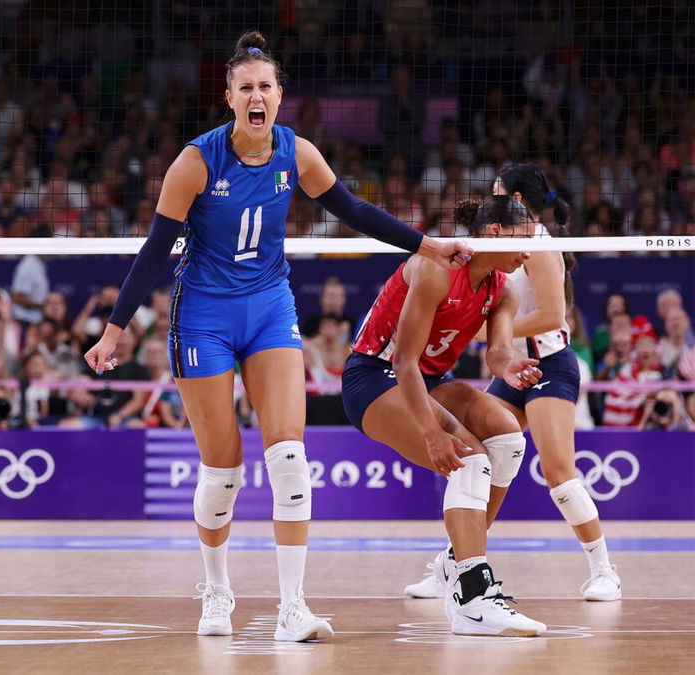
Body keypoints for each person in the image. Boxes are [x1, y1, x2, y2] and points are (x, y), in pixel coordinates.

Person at [84, 31, 472, 642]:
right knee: (224, 471)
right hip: (203, 316)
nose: (256, 96)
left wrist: (426, 243)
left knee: (290, 458)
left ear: (279, 96)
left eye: (266, 87)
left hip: (269, 308)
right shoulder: (196, 161)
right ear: (230, 99)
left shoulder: (298, 152)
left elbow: (356, 211)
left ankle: (293, 608)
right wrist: (114, 330)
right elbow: (157, 249)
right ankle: (216, 590)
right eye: (246, 88)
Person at [403, 163, 622, 602]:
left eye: (499, 190)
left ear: (517, 200)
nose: (491, 196)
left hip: (549, 365)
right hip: (513, 371)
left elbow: (551, 317)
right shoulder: (494, 242)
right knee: (482, 460)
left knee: (560, 477)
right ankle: (455, 565)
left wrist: (481, 334)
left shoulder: (538, 245)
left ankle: (604, 571)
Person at [342, 195, 547, 636]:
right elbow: (403, 362)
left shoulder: (503, 289)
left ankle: (454, 561)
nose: (529, 251)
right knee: (469, 460)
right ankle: (474, 596)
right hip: (376, 378)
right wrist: (432, 431)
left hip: (431, 381)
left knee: (509, 439)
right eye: (525, 238)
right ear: (494, 232)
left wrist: (508, 365)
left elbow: (496, 352)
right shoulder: (437, 268)